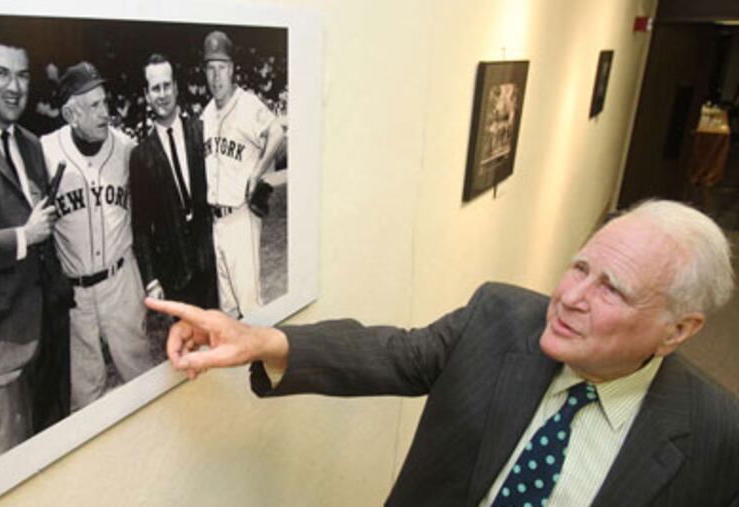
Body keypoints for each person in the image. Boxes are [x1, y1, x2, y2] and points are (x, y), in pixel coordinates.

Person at [148, 200, 739, 506]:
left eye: (612, 288)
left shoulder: (718, 438)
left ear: (677, 330)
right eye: (579, 266)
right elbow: (397, 354)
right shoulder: (502, 317)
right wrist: (259, 339)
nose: (570, 297)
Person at [41, 62, 152, 412]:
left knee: (142, 379)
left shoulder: (126, 148)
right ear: (70, 114)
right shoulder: (44, 153)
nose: (106, 112)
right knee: (85, 396)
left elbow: (147, 217)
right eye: (94, 106)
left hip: (121, 281)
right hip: (74, 296)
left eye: (105, 102)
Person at [0, 38, 70, 458]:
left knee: (55, 463)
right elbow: (28, 233)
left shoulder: (32, 145)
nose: (14, 86)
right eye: (1, 73)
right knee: (15, 474)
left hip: (49, 336)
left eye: (22, 74)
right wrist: (23, 237)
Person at [200, 30, 285, 318]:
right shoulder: (206, 114)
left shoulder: (247, 104)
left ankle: (262, 364)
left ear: (232, 69)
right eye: (210, 68)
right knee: (228, 309)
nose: (216, 76)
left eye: (222, 67)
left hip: (241, 217)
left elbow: (276, 132)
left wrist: (256, 173)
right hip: (216, 222)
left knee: (251, 308)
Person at [129, 54, 217, 309]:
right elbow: (141, 226)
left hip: (212, 261)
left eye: (167, 85)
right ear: (147, 95)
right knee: (190, 345)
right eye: (155, 88)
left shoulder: (201, 132)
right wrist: (151, 280)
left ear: (176, 88)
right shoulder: (140, 156)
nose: (163, 93)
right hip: (176, 274)